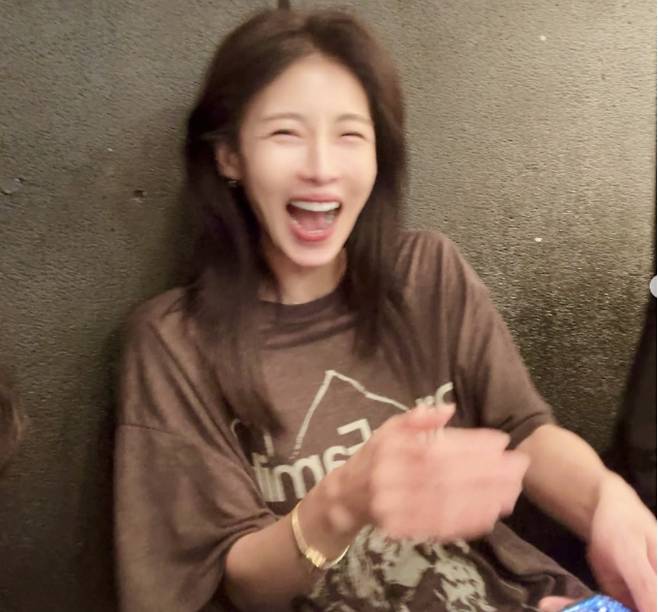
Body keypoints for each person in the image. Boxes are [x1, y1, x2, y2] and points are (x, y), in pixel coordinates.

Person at [114, 8, 657, 612]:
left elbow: (522, 431)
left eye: (350, 135)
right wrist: (346, 500)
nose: (322, 168)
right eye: (285, 133)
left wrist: (606, 501)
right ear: (229, 157)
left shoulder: (427, 273)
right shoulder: (174, 343)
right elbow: (235, 583)